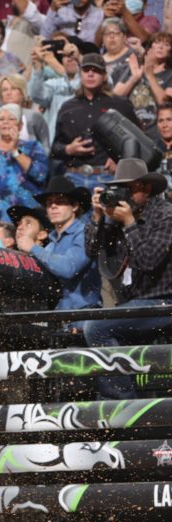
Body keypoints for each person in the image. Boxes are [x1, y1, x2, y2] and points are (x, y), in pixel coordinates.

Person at [84, 159, 172, 398]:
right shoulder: (116, 215)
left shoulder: (165, 216)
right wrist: (96, 217)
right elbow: (90, 252)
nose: (125, 195)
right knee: (84, 327)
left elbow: (148, 262)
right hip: (133, 305)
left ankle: (123, 404)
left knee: (96, 328)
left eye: (130, 188)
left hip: (164, 303)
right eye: (120, 188)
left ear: (146, 189)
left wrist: (129, 223)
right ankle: (108, 411)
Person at [51, 53, 140, 193]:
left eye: (96, 70)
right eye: (86, 70)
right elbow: (55, 148)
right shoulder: (67, 107)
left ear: (104, 76)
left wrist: (121, 158)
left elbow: (138, 139)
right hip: (74, 177)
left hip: (108, 177)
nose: (90, 74)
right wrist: (69, 149)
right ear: (80, 74)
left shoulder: (120, 104)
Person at [15, 175, 101, 311]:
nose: (53, 206)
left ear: (74, 206)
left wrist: (33, 247)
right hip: (60, 318)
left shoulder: (84, 233)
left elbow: (68, 268)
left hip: (85, 314)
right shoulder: (51, 244)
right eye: (49, 203)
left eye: (60, 201)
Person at [0, 73, 50, 148]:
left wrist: (18, 154)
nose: (8, 93)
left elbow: (45, 146)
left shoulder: (34, 117)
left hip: (27, 159)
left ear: (22, 92)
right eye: (4, 90)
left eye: (13, 88)